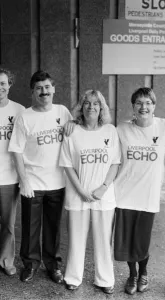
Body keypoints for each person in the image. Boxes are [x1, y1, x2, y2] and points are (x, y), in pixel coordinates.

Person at [8, 70, 72, 283]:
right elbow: (16, 150)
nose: (44, 92)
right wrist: (24, 180)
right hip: (32, 183)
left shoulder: (63, 112)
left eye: (47, 87)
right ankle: (30, 264)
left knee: (53, 228)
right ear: (32, 92)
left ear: (53, 89)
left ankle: (53, 265)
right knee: (30, 227)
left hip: (58, 182)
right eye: (39, 88)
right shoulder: (25, 116)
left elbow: (77, 133)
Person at [114, 87, 165, 295]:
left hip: (148, 196)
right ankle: (132, 274)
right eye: (139, 103)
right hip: (124, 194)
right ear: (133, 107)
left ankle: (144, 272)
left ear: (154, 106)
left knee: (142, 240)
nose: (144, 107)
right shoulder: (121, 128)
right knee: (127, 241)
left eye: (148, 102)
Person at [59, 90, 121, 293]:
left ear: (101, 108)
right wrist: (81, 191)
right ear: (81, 107)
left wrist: (103, 188)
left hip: (103, 196)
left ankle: (105, 279)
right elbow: (67, 165)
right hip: (78, 195)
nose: (91, 107)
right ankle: (73, 277)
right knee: (76, 238)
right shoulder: (72, 131)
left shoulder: (110, 131)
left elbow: (115, 163)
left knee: (103, 239)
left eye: (96, 103)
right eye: (87, 103)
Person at [0, 68, 25, 276]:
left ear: (9, 85)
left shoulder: (19, 111)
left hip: (9, 176)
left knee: (8, 223)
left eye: (3, 83)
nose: (0, 87)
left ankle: (7, 261)